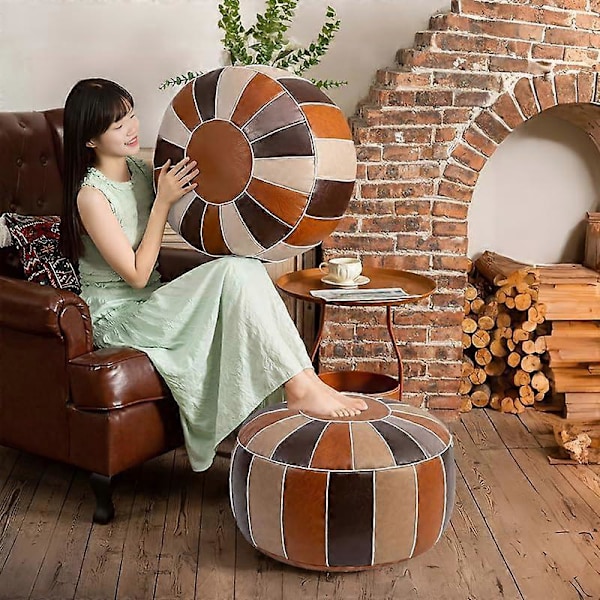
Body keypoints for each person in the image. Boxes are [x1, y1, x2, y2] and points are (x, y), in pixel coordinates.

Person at [60, 78, 367, 471]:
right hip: (118, 318)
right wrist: (162, 202)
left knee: (245, 265)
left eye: (132, 115)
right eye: (118, 126)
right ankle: (301, 386)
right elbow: (136, 275)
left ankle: (304, 382)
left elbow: (202, 193)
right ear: (91, 140)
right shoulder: (91, 196)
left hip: (153, 300)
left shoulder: (140, 168)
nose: (132, 128)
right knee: (233, 272)